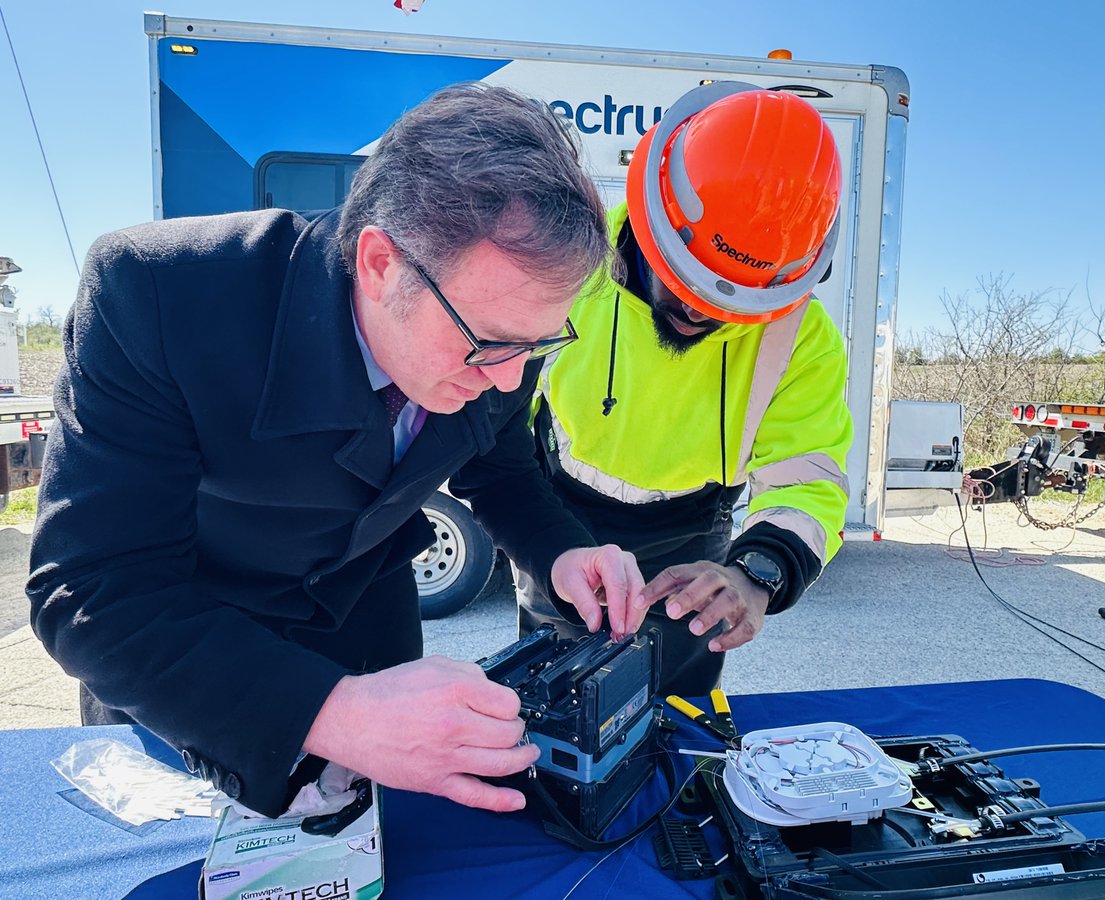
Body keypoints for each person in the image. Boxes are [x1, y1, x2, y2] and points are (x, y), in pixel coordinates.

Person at [26, 83, 650, 819]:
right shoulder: (158, 294)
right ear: (382, 263)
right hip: (189, 673)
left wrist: (561, 552)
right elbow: (92, 590)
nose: (509, 379)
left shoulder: (500, 320)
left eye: (539, 344)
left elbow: (500, 466)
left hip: (371, 645)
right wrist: (333, 712)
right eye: (489, 346)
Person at [517, 82, 854, 696]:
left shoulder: (804, 337)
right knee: (549, 705)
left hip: (694, 541)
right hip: (559, 516)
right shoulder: (568, 264)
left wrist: (757, 573)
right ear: (651, 216)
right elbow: (503, 421)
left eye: (732, 302)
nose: (698, 313)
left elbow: (808, 481)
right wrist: (545, 541)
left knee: (679, 717)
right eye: (684, 279)